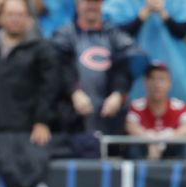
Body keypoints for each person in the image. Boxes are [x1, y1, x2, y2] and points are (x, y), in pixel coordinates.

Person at [0, 0, 58, 146]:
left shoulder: (42, 50)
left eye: (20, 15)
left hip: (27, 133)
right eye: (10, 14)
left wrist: (42, 121)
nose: (15, 19)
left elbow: (48, 89)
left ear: (29, 19)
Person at [50, 0, 136, 157]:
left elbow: (126, 65)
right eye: (87, 2)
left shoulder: (114, 34)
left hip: (109, 118)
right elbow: (59, 66)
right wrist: (73, 91)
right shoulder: (64, 34)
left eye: (96, 2)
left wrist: (118, 93)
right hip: (73, 121)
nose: (91, 6)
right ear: (77, 4)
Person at [105, 0, 186, 103]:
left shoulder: (179, 3)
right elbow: (117, 34)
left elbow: (182, 31)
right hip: (137, 76)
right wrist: (144, 13)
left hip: (177, 73)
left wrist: (163, 12)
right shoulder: (123, 3)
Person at [124, 62, 186, 159]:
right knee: (134, 148)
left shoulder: (178, 106)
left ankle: (185, 174)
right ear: (145, 82)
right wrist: (149, 139)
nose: (157, 84)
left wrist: (170, 137)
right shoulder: (137, 106)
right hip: (146, 150)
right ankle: (138, 174)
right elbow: (130, 125)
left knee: (185, 147)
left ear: (169, 83)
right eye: (152, 79)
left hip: (171, 149)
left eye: (161, 79)